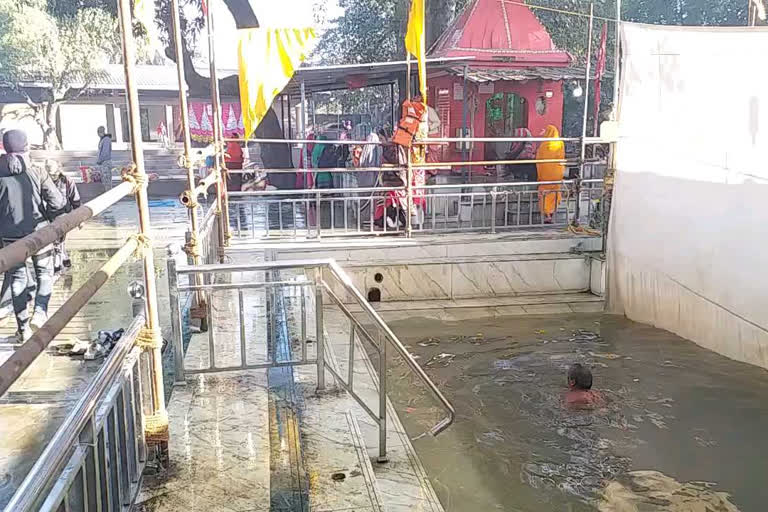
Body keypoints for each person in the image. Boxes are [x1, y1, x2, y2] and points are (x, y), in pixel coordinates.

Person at [0, 130, 68, 340]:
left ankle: (23, 329)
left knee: (18, 279)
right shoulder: (37, 171)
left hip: (10, 238)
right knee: (44, 274)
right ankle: (40, 311)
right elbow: (57, 202)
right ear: (26, 146)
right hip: (39, 233)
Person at [45, 159, 81, 274]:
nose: (52, 176)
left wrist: (79, 217)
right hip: (48, 214)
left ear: (58, 170)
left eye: (54, 174)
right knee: (57, 240)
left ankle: (58, 262)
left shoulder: (67, 181)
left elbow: (75, 199)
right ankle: (64, 258)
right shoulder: (43, 181)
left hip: (63, 214)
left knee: (58, 240)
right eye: (49, 174)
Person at [535, 125, 566, 224]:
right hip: (557, 173)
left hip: (545, 174)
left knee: (544, 191)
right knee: (554, 192)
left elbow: (539, 159)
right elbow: (562, 158)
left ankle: (547, 215)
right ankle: (551, 213)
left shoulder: (544, 145)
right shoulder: (560, 143)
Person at [96, 126, 113, 191]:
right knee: (104, 180)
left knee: (107, 180)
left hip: (106, 162)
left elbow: (105, 152)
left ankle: (109, 194)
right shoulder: (103, 139)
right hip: (103, 163)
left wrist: (99, 161)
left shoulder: (106, 139)